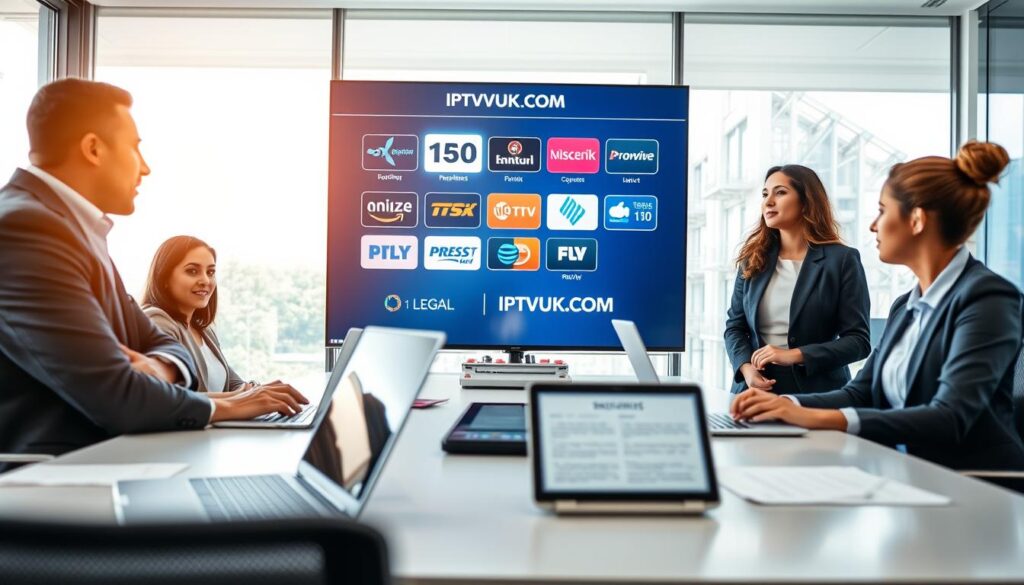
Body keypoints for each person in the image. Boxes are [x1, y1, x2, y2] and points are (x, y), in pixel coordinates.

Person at [0, 78, 306, 461]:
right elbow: (117, 395)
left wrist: (160, 367)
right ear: (93, 148)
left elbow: (163, 345)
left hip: (105, 460)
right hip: (54, 480)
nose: (144, 168)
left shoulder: (75, 230)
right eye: (134, 148)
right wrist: (231, 406)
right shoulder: (26, 229)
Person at [731, 141, 1024, 471]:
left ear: (916, 220)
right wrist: (782, 404)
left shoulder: (988, 298)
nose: (873, 225)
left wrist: (809, 416)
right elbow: (861, 393)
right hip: (913, 476)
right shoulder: (907, 306)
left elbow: (950, 417)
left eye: (883, 211)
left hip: (977, 484)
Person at [724, 165, 870, 395]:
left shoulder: (842, 260)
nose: (768, 201)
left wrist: (794, 355)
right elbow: (735, 327)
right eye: (765, 194)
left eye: (780, 192)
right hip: (753, 392)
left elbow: (858, 342)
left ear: (806, 201)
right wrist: (746, 369)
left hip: (818, 395)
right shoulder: (753, 259)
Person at [140, 235, 247, 394]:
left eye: (210, 272)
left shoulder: (204, 330)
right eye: (192, 271)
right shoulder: (157, 320)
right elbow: (173, 398)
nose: (205, 280)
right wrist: (246, 399)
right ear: (165, 278)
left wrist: (263, 393)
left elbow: (235, 384)